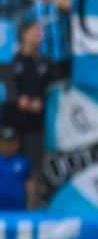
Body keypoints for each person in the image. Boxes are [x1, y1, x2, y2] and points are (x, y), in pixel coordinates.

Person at [6, 20, 51, 148]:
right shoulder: (13, 63)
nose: (39, 34)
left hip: (39, 126)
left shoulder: (45, 63)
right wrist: (28, 104)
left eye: (40, 31)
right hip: (15, 125)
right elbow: (14, 96)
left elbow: (49, 90)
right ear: (24, 35)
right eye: (35, 31)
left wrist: (41, 102)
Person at [0, 126, 34, 210]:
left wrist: (31, 206)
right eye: (4, 142)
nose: (7, 146)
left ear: (17, 144)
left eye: (10, 143)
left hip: (18, 210)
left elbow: (30, 185)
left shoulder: (24, 162)